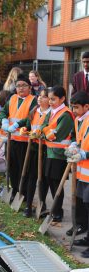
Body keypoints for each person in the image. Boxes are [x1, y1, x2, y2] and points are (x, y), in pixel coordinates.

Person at [0, 74, 37, 203]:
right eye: (18, 86)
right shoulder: (13, 98)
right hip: (11, 140)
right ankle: (14, 190)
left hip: (25, 142)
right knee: (11, 167)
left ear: (29, 88)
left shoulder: (33, 100)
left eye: (24, 86)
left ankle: (23, 193)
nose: (20, 88)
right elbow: (3, 111)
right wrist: (4, 121)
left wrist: (17, 124)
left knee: (23, 169)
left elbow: (31, 118)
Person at [39, 86, 74, 222]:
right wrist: (46, 131)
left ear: (63, 99)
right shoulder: (53, 112)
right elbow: (43, 127)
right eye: (50, 99)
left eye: (53, 99)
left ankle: (58, 212)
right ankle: (54, 209)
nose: (50, 102)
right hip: (50, 152)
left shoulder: (65, 114)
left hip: (59, 154)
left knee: (56, 183)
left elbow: (56, 135)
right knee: (49, 180)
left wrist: (46, 132)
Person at [19, 88, 51, 217]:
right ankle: (28, 206)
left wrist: (41, 134)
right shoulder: (34, 111)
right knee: (31, 177)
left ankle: (42, 206)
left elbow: (50, 130)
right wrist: (24, 129)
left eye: (43, 97)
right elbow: (28, 124)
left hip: (44, 150)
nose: (39, 98)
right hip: (33, 149)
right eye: (39, 96)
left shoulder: (51, 114)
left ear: (49, 100)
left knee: (42, 180)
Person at [65, 91, 89, 258]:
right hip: (82, 173)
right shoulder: (79, 120)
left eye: (76, 107)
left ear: (86, 107)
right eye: (72, 107)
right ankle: (87, 237)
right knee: (84, 207)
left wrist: (85, 154)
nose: (74, 110)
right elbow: (79, 139)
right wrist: (74, 144)